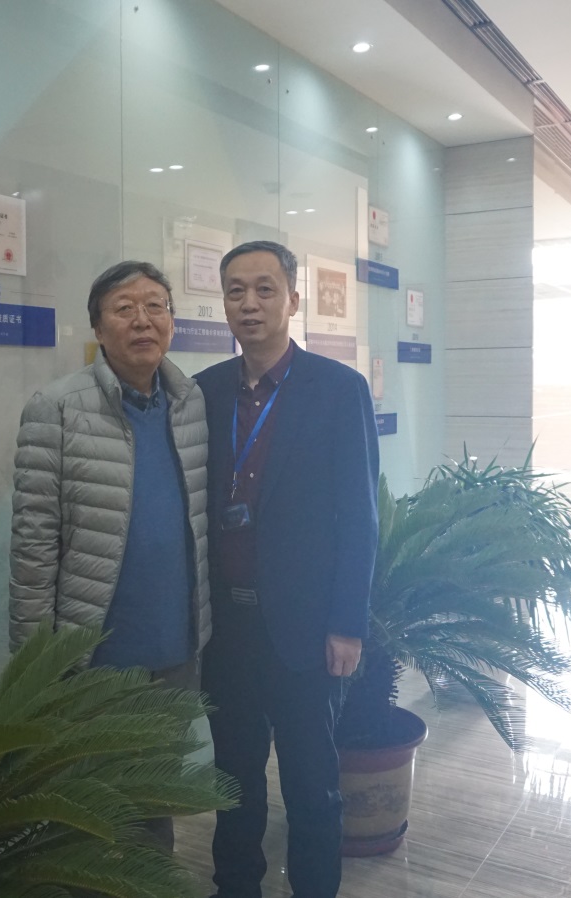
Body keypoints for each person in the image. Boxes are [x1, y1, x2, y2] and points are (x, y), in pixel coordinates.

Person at [195, 241, 379, 898]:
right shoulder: (204, 392)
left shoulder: (338, 390)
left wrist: (347, 624)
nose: (249, 303)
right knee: (233, 784)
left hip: (304, 630)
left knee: (311, 788)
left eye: (265, 289)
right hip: (227, 630)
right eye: (236, 290)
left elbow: (359, 517)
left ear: (293, 300)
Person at [9, 261, 211, 822]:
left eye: (155, 306)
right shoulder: (56, 407)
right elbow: (32, 544)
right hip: (95, 654)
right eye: (124, 309)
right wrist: (35, 665)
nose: (142, 320)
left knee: (157, 800)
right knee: (92, 811)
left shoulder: (193, 404)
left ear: (172, 321)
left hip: (176, 648)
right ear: (98, 329)